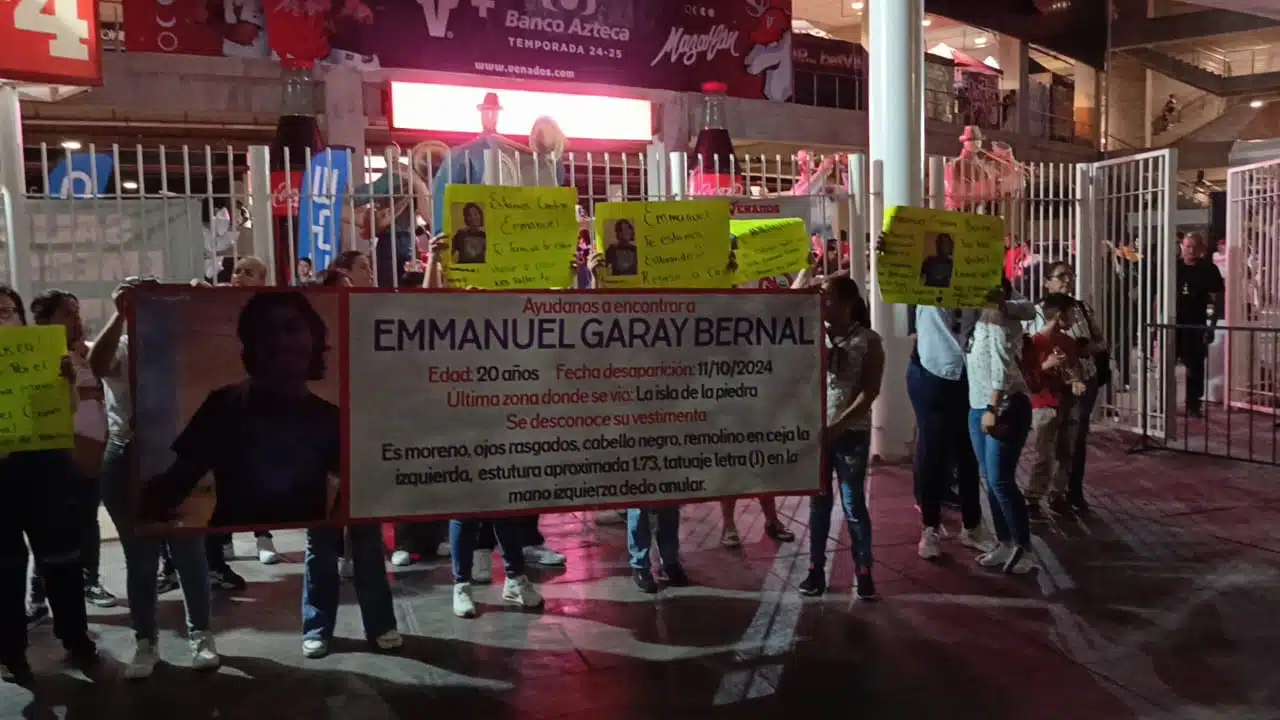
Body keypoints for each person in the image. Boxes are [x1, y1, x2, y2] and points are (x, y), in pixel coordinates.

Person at [88, 280, 220, 679]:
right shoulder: (124, 344)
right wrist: (119, 313)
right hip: (127, 456)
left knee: (189, 553)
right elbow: (97, 367)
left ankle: (202, 635)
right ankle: (145, 642)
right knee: (140, 558)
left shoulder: (187, 347)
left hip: (178, 457)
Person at [135, 292, 341, 528]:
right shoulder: (223, 406)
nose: (281, 341)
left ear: (314, 338)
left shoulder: (330, 419)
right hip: (229, 537)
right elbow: (177, 483)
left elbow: (356, 485)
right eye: (267, 332)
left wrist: (334, 529)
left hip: (305, 539)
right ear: (250, 345)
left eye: (292, 328)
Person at [0, 286, 98, 685]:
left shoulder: (47, 354)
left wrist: (67, 381)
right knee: (5, 566)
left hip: (48, 468)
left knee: (61, 558)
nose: (3, 318)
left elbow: (70, 411)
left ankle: (75, 639)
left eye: (8, 311)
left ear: (22, 318)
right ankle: (10, 651)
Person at [24, 291, 117, 614]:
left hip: (93, 453)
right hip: (55, 451)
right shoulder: (34, 355)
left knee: (87, 520)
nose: (76, 320)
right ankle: (39, 593)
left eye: (77, 313)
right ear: (45, 320)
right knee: (49, 526)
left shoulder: (89, 353)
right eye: (67, 314)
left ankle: (90, 580)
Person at [797, 271, 883, 600]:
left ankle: (864, 571)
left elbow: (869, 391)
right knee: (818, 506)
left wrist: (840, 425)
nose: (822, 303)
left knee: (852, 504)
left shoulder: (868, 341)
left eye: (828, 298)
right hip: (819, 435)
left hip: (850, 435)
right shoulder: (810, 335)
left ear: (848, 304)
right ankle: (815, 570)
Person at [966, 278, 1036, 575]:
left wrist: (993, 409)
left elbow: (1001, 367)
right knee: (990, 479)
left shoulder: (998, 319)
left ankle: (1023, 547)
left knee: (1001, 481)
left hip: (1003, 406)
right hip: (979, 405)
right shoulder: (980, 317)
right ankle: (1005, 541)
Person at [1032, 262, 1106, 512]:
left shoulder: (1082, 308)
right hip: (1049, 389)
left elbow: (1100, 342)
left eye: (1070, 275)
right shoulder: (1036, 312)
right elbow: (1030, 350)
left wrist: (1087, 349)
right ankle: (1035, 494)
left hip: (1081, 382)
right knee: (1045, 444)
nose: (1067, 280)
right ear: (1047, 282)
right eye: (1060, 276)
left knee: (1073, 439)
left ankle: (1068, 491)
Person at [1023, 292, 1086, 517]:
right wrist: (1046, 366)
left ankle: (1057, 494)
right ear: (1059, 315)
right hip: (1044, 404)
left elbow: (1074, 370)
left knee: (1065, 453)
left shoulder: (1068, 342)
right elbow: (1029, 380)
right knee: (1043, 455)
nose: (1074, 319)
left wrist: (1076, 381)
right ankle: (1032, 497)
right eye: (1071, 314)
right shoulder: (1034, 343)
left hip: (1066, 402)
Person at [1175, 232, 1224, 417]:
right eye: (1188, 246)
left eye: (1195, 246)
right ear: (1182, 246)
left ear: (1202, 248)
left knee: (1195, 366)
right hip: (1172, 322)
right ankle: (1164, 404)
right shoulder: (1174, 267)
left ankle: (1193, 405)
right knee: (1165, 364)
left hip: (1196, 323)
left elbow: (1218, 299)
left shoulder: (1208, 269)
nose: (1191, 250)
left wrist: (1211, 326)